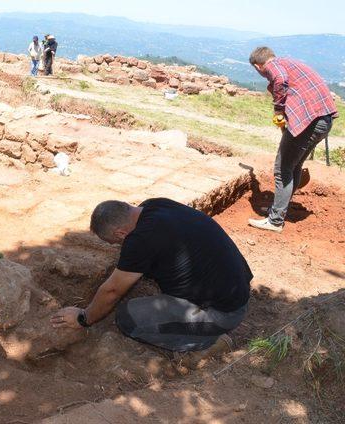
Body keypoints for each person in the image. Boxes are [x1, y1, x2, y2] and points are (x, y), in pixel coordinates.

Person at [51, 198, 252, 361]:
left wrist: (84, 318)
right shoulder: (155, 205)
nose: (120, 246)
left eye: (117, 242)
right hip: (236, 289)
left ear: (121, 232)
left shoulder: (141, 239)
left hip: (221, 313)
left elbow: (112, 291)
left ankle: (210, 340)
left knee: (128, 318)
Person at [247, 47, 338, 233]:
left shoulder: (273, 66)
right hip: (324, 120)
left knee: (282, 169)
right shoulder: (288, 62)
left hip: (311, 122)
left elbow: (280, 79)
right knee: (294, 166)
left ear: (258, 66)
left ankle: (275, 221)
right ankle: (279, 210)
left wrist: (278, 110)